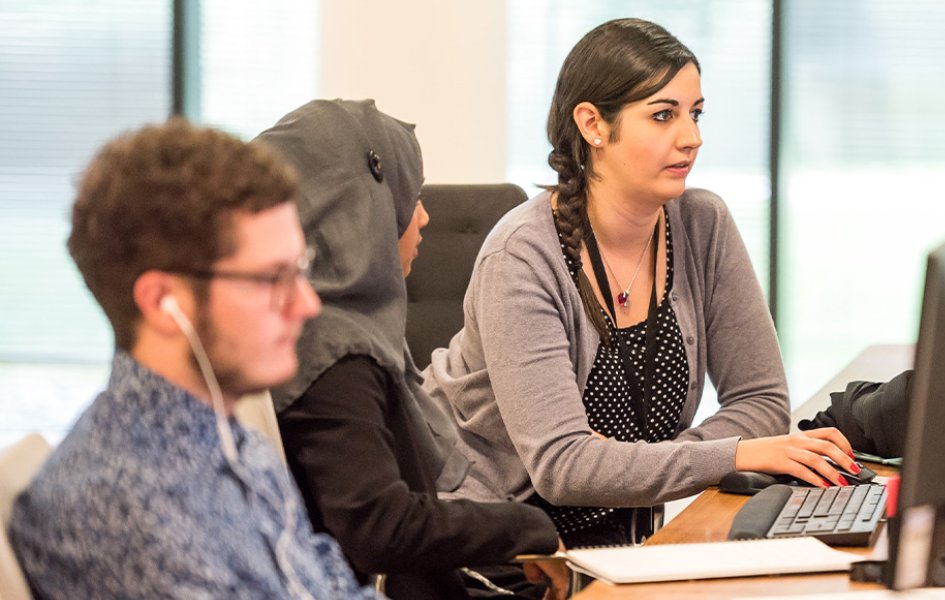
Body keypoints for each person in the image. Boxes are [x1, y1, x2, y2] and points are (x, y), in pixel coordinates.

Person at [422, 18, 860, 548]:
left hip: (625, 541)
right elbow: (563, 466)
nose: (692, 137)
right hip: (500, 546)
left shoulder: (702, 224)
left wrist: (645, 464)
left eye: (695, 114)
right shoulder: (523, 256)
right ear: (593, 125)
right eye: (663, 115)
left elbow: (762, 400)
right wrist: (732, 453)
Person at [8, 119, 383, 598]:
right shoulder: (128, 510)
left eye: (300, 268)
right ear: (164, 302)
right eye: (272, 278)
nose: (307, 304)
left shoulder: (230, 440)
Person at [258, 99, 566, 600]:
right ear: (361, 210)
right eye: (411, 196)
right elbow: (379, 527)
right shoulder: (336, 355)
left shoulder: (332, 332)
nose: (423, 217)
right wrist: (526, 528)